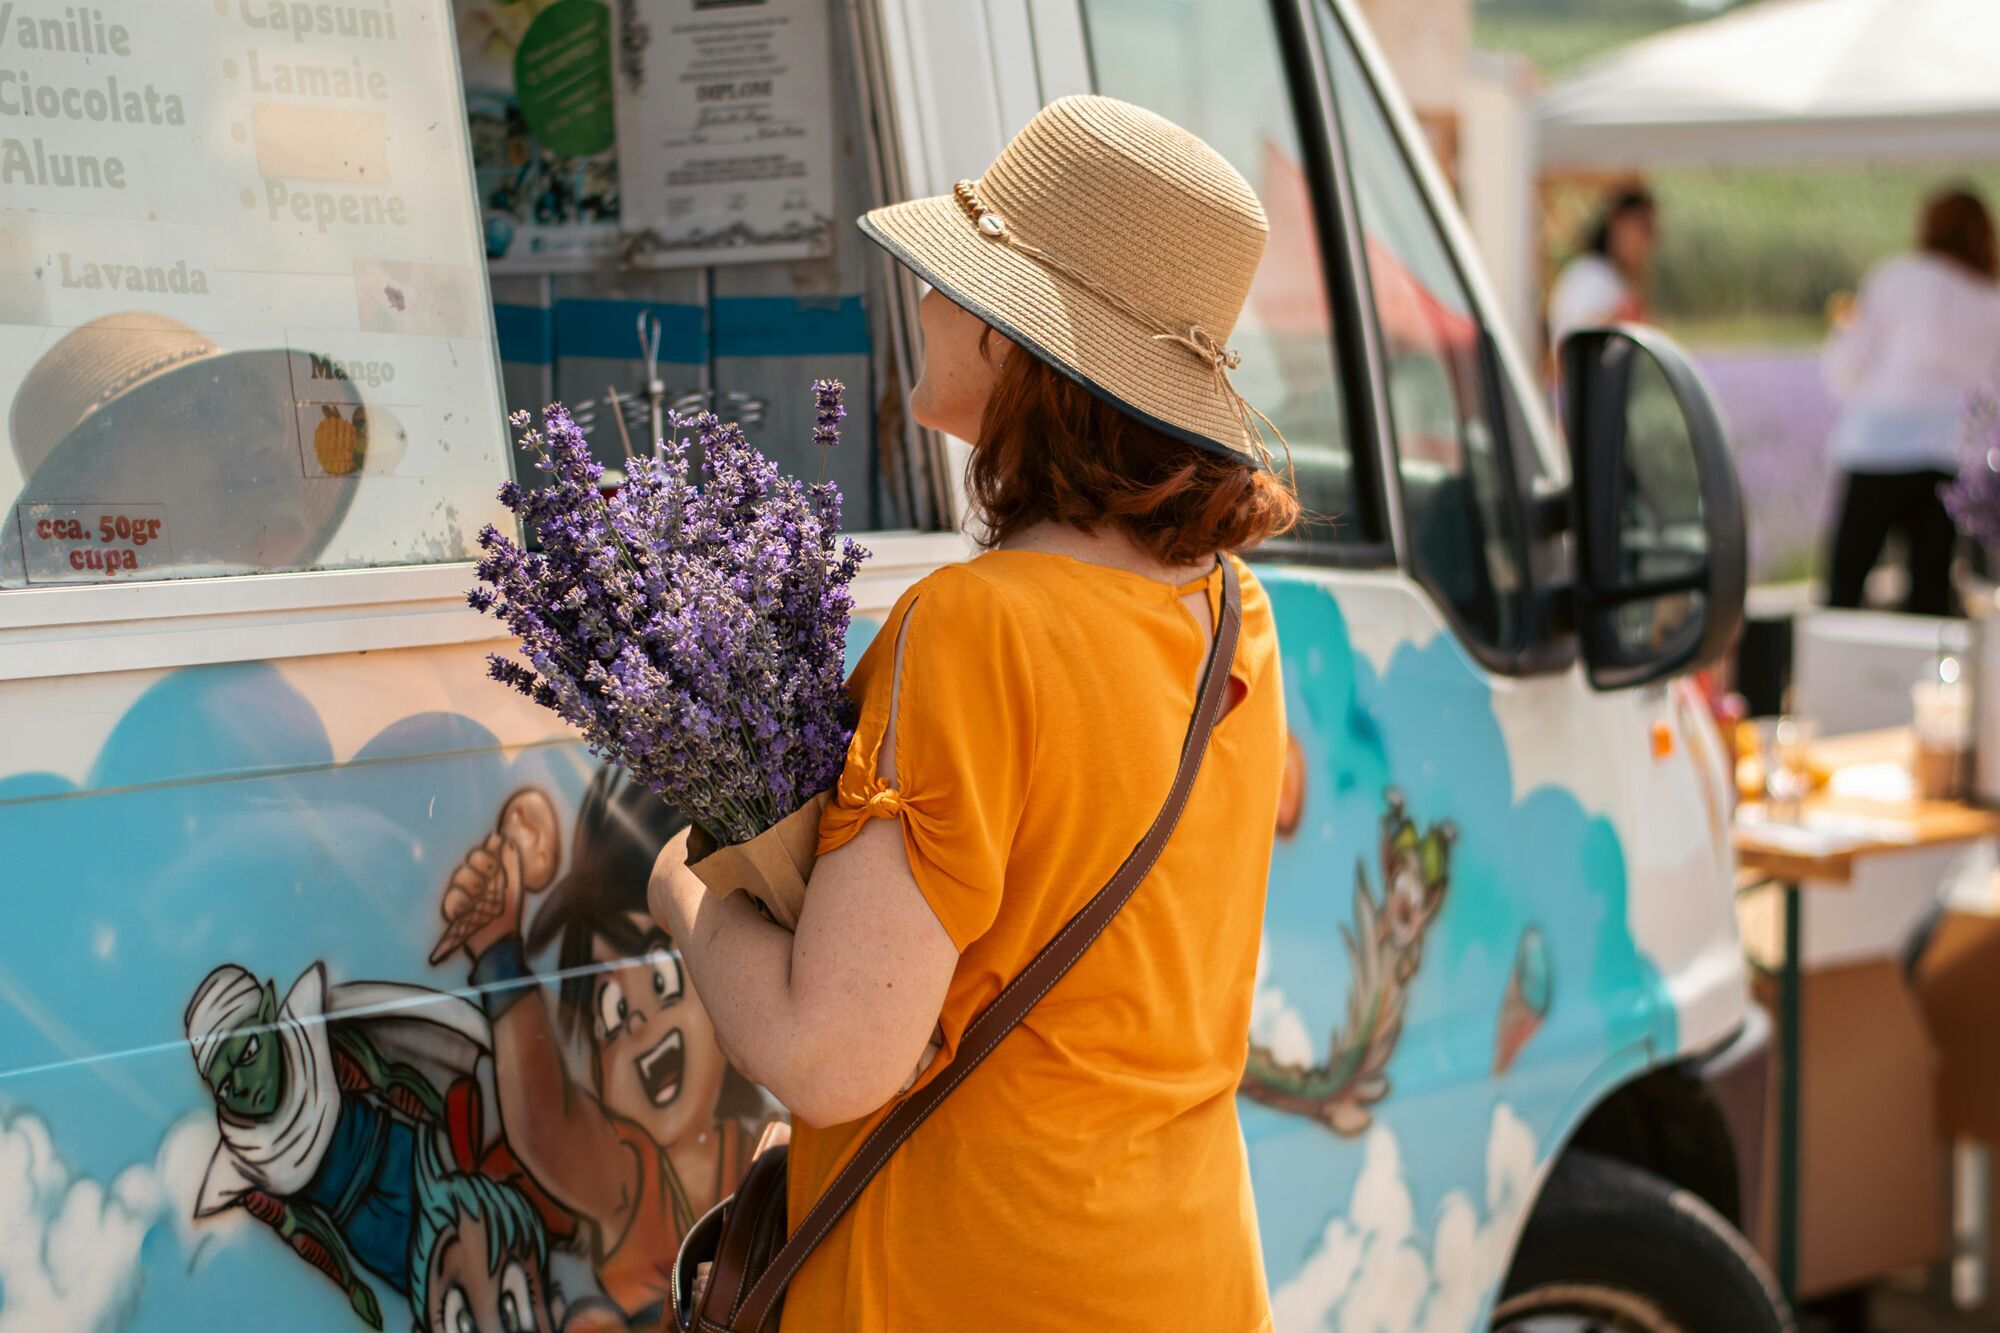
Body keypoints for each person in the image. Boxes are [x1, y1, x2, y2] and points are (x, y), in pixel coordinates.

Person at [650, 95, 1298, 1330]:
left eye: (957, 278)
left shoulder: (975, 628)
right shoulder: (1233, 615)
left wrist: (685, 890)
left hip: (971, 1288)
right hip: (1187, 1279)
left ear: (1021, 348)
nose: (929, 301)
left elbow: (831, 1054)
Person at [1821, 185, 2000, 617]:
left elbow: (1847, 359)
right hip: (1944, 457)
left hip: (1876, 445)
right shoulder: (1990, 298)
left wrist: (1855, 392)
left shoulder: (1897, 277)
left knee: (1844, 587)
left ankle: (1832, 680)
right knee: (1930, 594)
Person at [1547, 185, 1657, 348]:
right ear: (1617, 224)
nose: (1648, 241)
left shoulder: (1610, 278)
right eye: (1643, 228)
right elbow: (1583, 336)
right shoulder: (1592, 275)